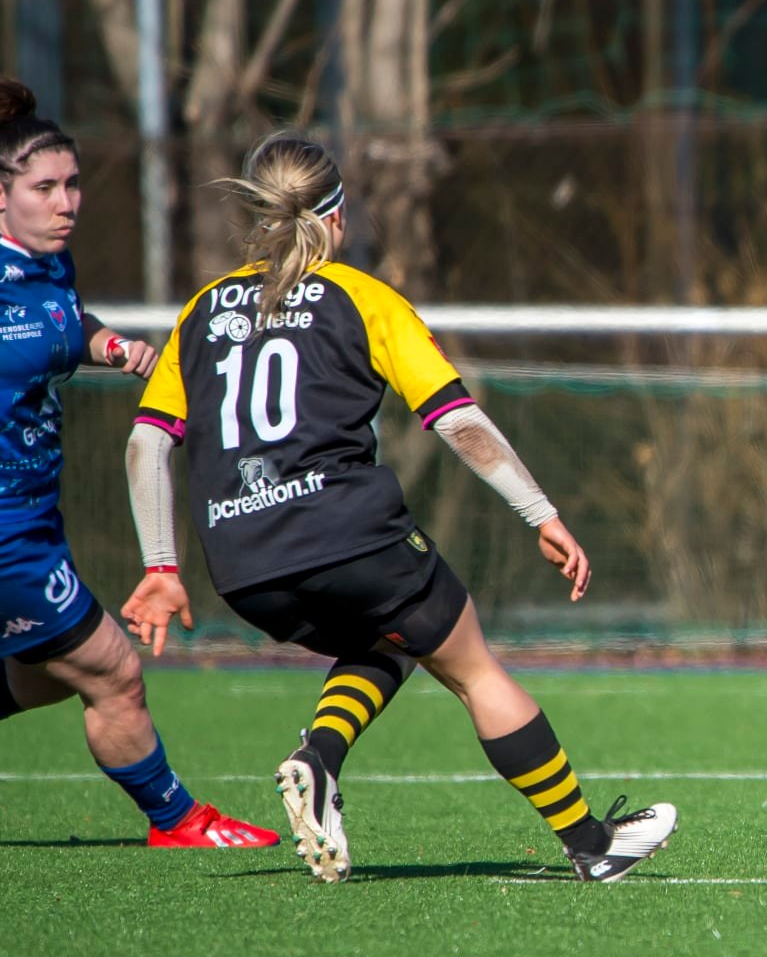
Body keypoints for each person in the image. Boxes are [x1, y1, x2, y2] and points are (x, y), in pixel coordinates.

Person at [120, 133, 677, 883]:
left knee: (388, 640)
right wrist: (541, 511)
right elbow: (458, 421)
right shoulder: (364, 297)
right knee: (473, 667)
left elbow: (146, 444)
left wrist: (161, 565)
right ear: (337, 217)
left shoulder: (200, 310)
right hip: (348, 534)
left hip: (242, 563)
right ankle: (591, 843)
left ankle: (318, 758)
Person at [0, 80, 279, 848]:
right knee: (112, 672)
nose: (68, 203)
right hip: (5, 533)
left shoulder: (48, 263)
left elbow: (61, 323)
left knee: (33, 675)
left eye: (73, 184)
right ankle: (178, 819)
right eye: (45, 187)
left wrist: (107, 346)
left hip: (34, 514)